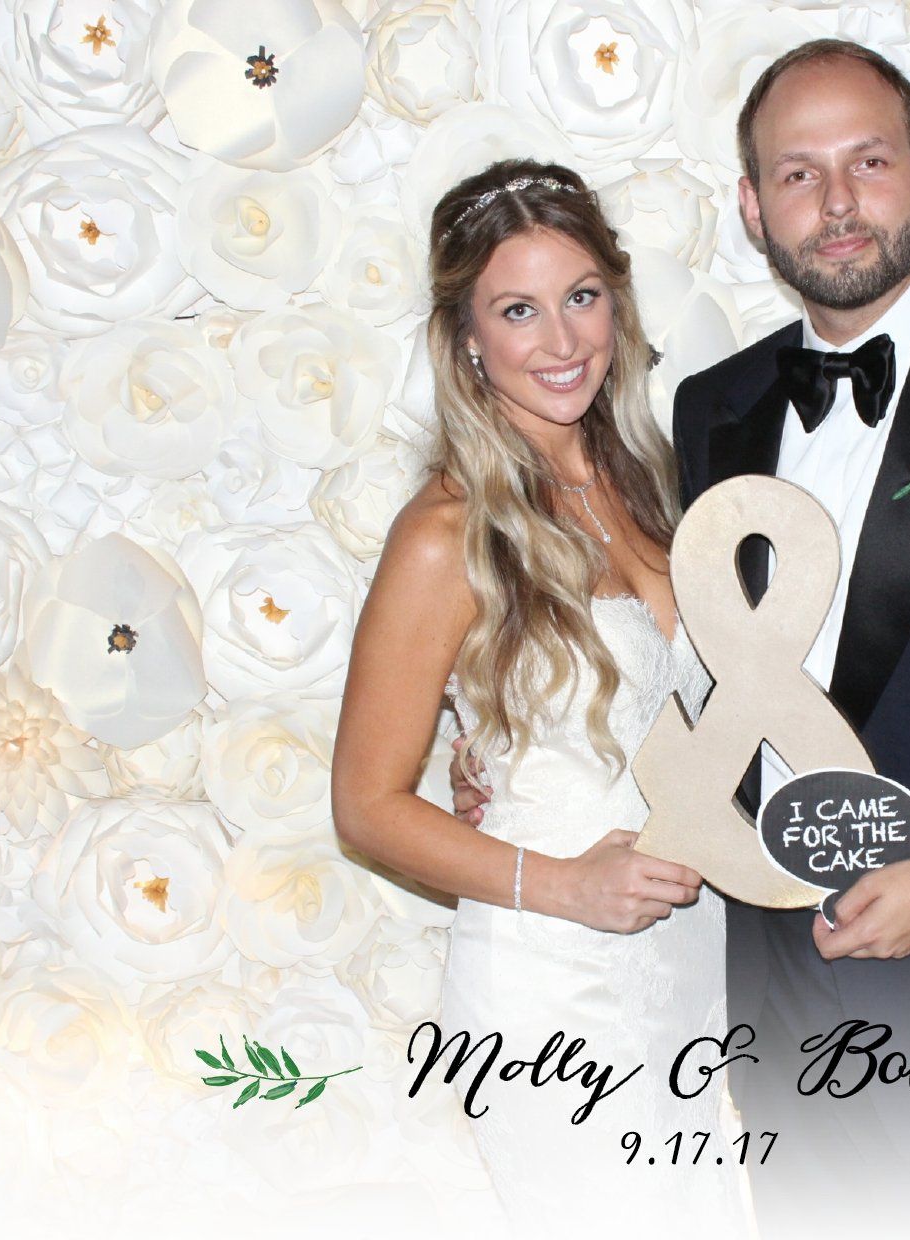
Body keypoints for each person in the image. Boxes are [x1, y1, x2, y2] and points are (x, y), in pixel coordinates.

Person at [458, 38, 910, 1240]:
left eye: (868, 161)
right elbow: (693, 657)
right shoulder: (712, 407)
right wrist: (511, 745)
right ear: (753, 208)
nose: (838, 201)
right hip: (760, 985)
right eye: (797, 173)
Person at [330, 158, 752, 1240]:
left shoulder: (652, 483)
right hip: (553, 979)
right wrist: (562, 883)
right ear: (467, 336)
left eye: (581, 296)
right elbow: (365, 806)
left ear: (617, 300)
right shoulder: (444, 533)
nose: (561, 341)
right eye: (517, 309)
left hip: (687, 960)